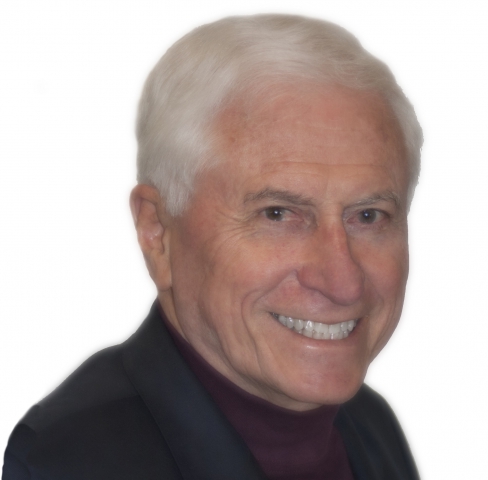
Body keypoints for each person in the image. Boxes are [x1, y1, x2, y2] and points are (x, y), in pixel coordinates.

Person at [2, 14, 422, 480]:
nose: (342, 282)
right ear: (157, 231)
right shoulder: (70, 463)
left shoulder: (369, 424)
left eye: (369, 216)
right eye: (277, 214)